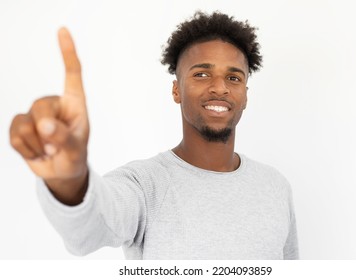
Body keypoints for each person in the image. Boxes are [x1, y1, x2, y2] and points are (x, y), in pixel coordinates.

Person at [9, 11, 299, 259]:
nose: (220, 88)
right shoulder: (144, 184)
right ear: (176, 90)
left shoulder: (275, 186)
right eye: (201, 74)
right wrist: (69, 179)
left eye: (233, 77)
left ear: (245, 95)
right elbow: (90, 227)